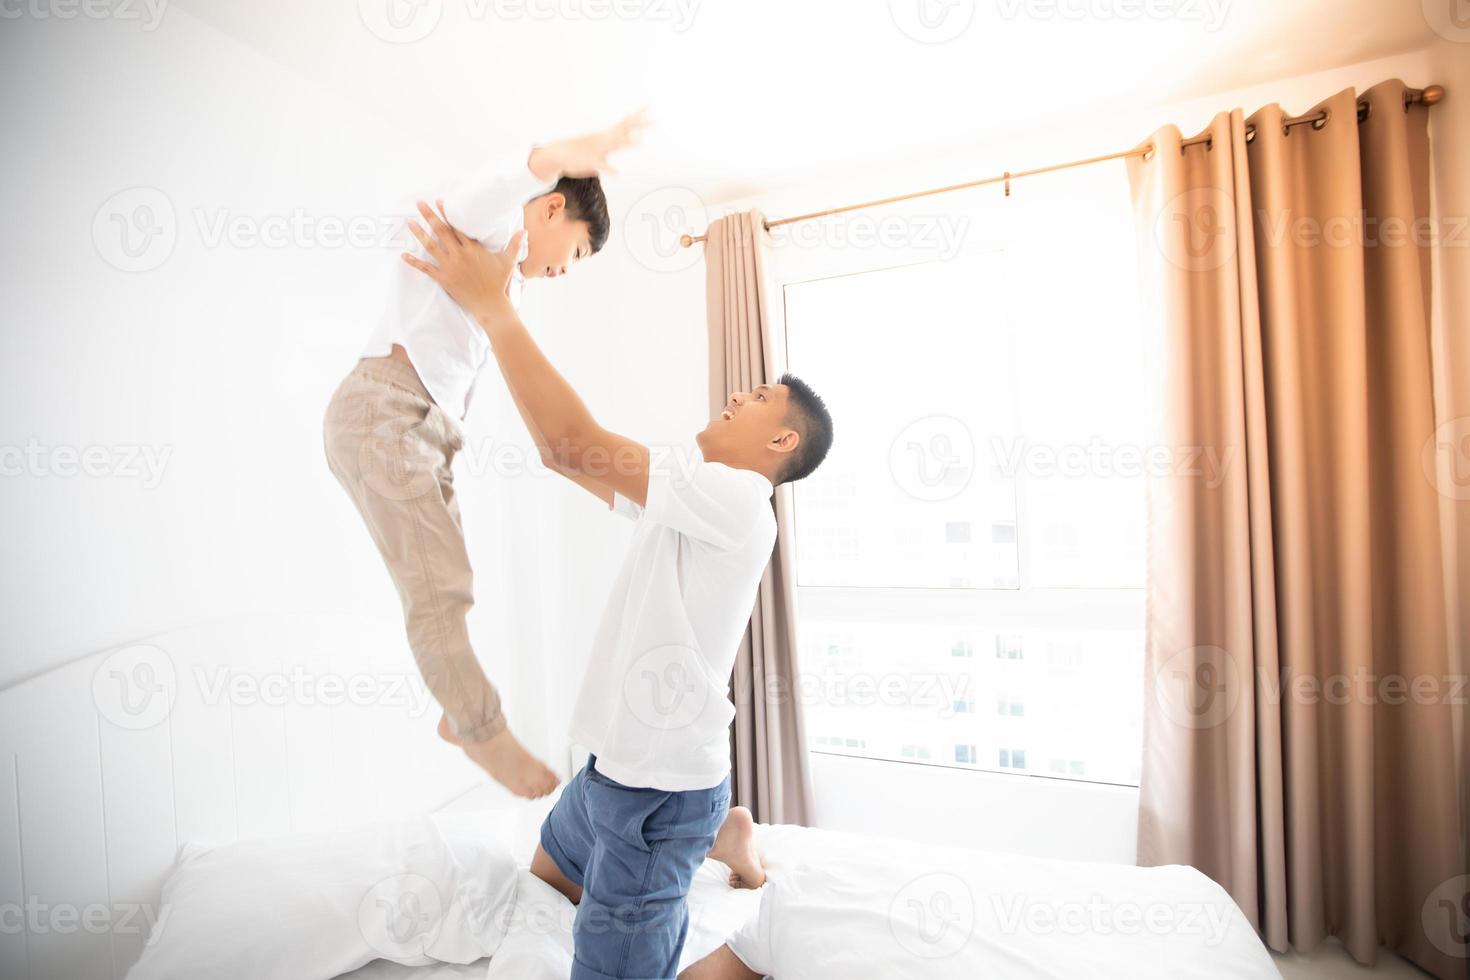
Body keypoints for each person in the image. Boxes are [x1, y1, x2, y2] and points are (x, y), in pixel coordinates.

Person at [401, 203, 835, 980]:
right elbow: (566, 457)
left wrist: (496, 307)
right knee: (549, 877)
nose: (736, 397)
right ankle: (724, 835)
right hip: (609, 770)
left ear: (781, 441)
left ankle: (733, 939)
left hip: (656, 799)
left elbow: (572, 442)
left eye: (758, 400)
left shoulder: (736, 500)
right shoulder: (701, 494)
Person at [322, 114, 642, 799]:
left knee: (450, 578)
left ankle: (455, 711)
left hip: (422, 431)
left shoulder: (505, 283)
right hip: (384, 410)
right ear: (554, 208)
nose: (565, 271)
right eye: (577, 253)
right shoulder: (489, 228)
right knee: (438, 587)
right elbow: (490, 190)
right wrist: (556, 157)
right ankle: (479, 725)